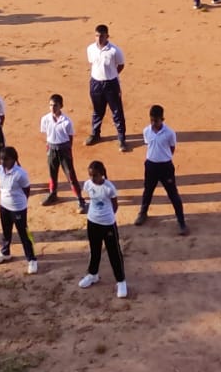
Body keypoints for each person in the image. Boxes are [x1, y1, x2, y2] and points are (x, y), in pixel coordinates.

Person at [79, 160, 128, 298]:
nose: (92, 178)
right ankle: (93, 274)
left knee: (114, 253)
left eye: (95, 175)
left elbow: (115, 206)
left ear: (102, 174)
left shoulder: (109, 188)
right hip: (92, 222)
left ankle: (121, 281)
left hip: (107, 224)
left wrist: (106, 217)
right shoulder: (88, 185)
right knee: (94, 249)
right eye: (90, 175)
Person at [135, 104, 187, 234]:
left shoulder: (169, 133)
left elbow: (172, 148)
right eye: (151, 120)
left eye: (156, 120)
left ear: (162, 119)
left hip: (165, 167)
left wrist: (163, 157)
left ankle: (181, 222)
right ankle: (143, 213)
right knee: (148, 191)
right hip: (150, 166)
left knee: (173, 194)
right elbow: (148, 145)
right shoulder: (146, 131)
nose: (153, 123)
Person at [0, 146, 39, 274]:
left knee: (24, 234)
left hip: (18, 209)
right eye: (1, 159)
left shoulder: (20, 174)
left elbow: (27, 190)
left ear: (13, 159)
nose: (2, 162)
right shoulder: (0, 170)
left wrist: (20, 203)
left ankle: (32, 259)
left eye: (6, 159)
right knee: (6, 232)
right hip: (4, 206)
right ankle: (5, 252)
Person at [85, 24, 129, 150]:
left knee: (117, 111)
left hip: (111, 85)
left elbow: (121, 65)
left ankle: (121, 138)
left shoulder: (115, 51)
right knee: (97, 110)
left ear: (107, 36)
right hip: (95, 83)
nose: (99, 39)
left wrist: (112, 75)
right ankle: (95, 134)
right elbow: (92, 63)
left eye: (102, 36)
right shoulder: (90, 49)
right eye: (97, 36)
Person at [39, 94, 84, 211]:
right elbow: (46, 133)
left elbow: (70, 137)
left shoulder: (67, 122)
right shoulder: (45, 119)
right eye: (50, 105)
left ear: (61, 106)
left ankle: (80, 199)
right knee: (52, 174)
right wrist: (49, 147)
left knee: (71, 176)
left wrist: (67, 150)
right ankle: (53, 194)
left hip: (64, 150)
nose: (52, 108)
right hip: (51, 148)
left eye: (55, 105)